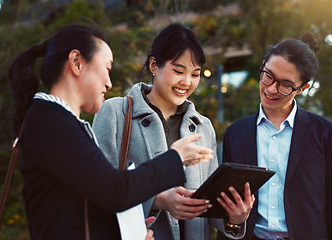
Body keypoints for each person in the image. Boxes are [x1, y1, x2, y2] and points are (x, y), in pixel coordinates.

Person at [8, 24, 214, 240]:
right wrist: (176, 157)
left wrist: (127, 233)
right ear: (77, 63)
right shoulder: (50, 121)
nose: (109, 82)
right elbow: (115, 191)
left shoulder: (58, 120)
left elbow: (93, 202)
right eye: (106, 68)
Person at [93, 23, 254, 240]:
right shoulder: (115, 113)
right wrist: (159, 200)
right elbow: (98, 191)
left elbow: (209, 209)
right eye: (178, 71)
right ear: (153, 65)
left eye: (195, 74)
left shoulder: (203, 127)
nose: (186, 82)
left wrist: (235, 216)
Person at [217, 34, 332, 240]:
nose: (271, 89)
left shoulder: (326, 134)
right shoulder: (235, 133)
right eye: (268, 76)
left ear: (303, 88)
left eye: (285, 85)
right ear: (263, 66)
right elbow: (228, 205)